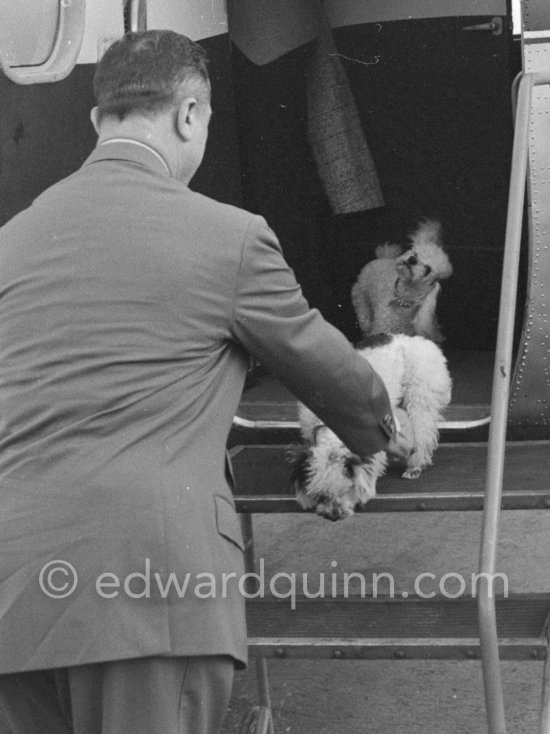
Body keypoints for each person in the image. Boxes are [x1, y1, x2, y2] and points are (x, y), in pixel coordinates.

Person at [0, 30, 411, 734]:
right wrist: (383, 427)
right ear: (190, 115)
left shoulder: (13, 240)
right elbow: (333, 378)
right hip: (149, 596)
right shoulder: (229, 237)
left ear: (97, 121)